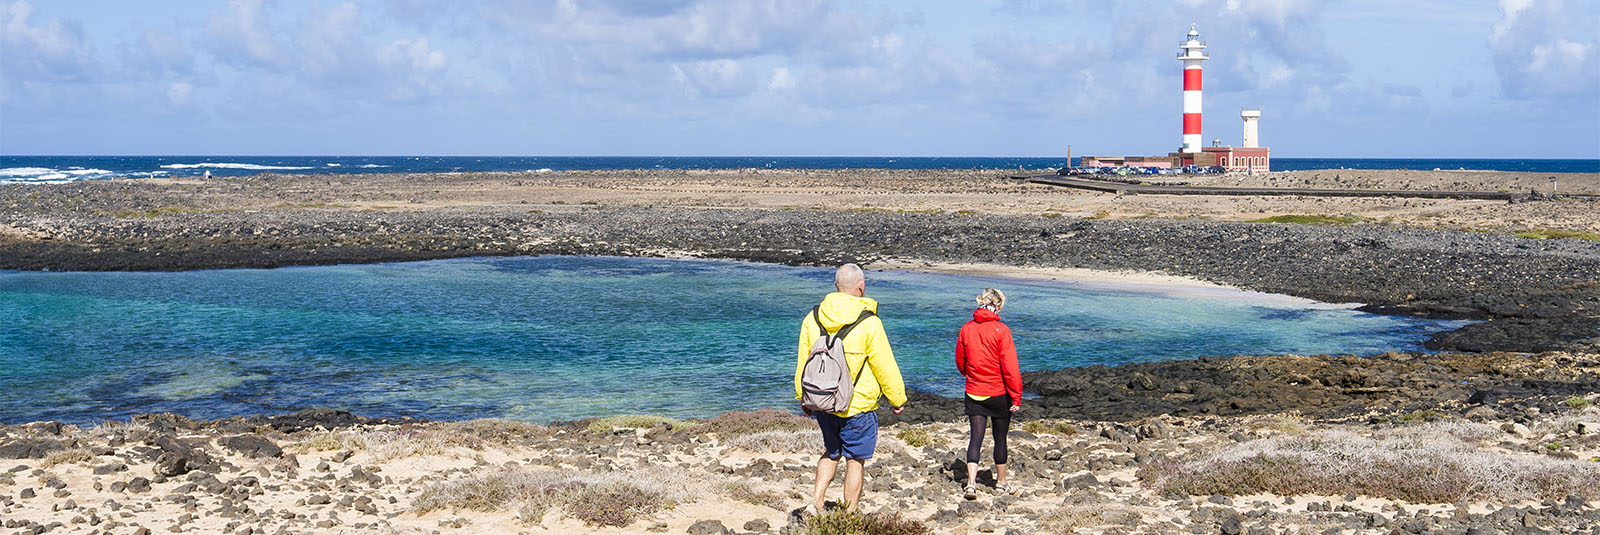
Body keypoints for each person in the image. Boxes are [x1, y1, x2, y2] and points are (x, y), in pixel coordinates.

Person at [795, 263, 907, 514]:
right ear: (861, 286)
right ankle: (849, 513)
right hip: (858, 405)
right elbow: (884, 365)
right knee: (855, 459)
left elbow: (803, 361)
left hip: (823, 401)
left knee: (830, 452)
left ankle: (816, 501)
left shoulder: (812, 317)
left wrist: (803, 396)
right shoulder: (869, 322)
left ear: (836, 287)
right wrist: (897, 398)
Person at [954, 288, 1021, 500]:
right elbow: (1010, 368)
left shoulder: (966, 329)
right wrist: (1016, 396)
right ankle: (1001, 483)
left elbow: (960, 362)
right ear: (998, 306)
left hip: (974, 391)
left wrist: (969, 373)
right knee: (1000, 438)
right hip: (999, 393)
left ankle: (971, 484)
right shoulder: (1002, 330)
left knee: (975, 438)